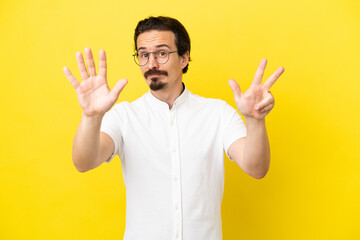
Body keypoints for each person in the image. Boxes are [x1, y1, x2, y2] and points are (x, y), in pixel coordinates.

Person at [63, 16, 284, 240]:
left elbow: (256, 168)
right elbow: (84, 161)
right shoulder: (124, 116)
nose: (151, 64)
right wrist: (91, 117)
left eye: (161, 53)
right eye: (143, 54)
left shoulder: (218, 113)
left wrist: (255, 120)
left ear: (184, 58)